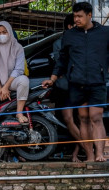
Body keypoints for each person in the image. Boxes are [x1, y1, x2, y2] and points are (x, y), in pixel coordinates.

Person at [43, 2, 109, 162]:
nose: (77, 19)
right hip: (77, 83)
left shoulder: (105, 33)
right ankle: (90, 156)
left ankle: (100, 153)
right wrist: (52, 78)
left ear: (89, 15)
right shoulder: (70, 35)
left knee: (96, 117)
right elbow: (62, 60)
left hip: (97, 82)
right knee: (83, 119)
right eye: (75, 16)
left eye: (80, 16)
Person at [51, 13, 83, 162]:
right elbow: (61, 64)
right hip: (65, 89)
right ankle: (75, 149)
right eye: (76, 24)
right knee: (66, 120)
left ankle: (79, 151)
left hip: (81, 87)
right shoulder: (59, 43)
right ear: (70, 26)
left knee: (81, 119)